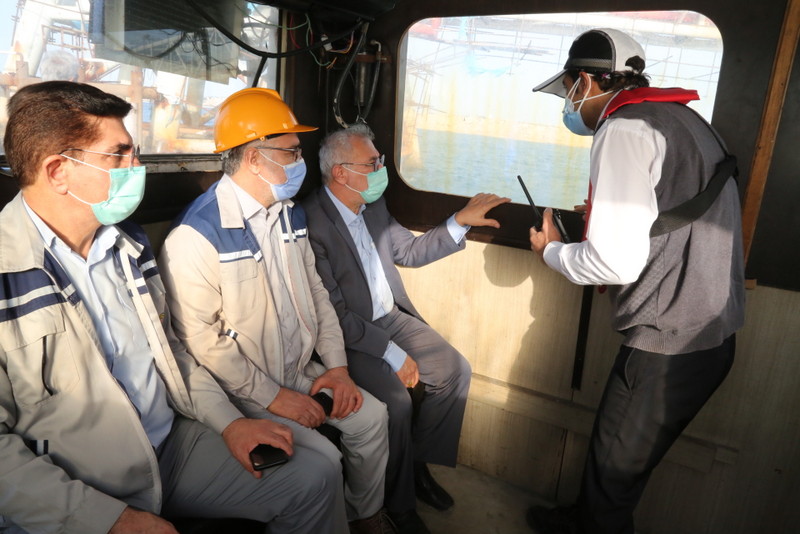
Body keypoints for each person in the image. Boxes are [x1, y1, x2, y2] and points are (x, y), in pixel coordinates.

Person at [0, 81, 341, 533]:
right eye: (118, 155)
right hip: (76, 481)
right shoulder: (7, 273)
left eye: (135, 152)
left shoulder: (130, 245)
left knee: (316, 476)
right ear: (58, 171)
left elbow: (173, 353)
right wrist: (108, 520)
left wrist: (229, 423)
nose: (136, 167)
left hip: (169, 444)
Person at [526, 28, 745, 534]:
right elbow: (675, 204)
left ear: (586, 82)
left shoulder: (623, 129)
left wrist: (551, 251)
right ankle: (580, 519)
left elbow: (614, 263)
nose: (569, 104)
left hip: (668, 345)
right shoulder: (685, 120)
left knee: (613, 477)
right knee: (618, 462)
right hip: (712, 333)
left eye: (568, 91)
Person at [157, 88, 393, 534]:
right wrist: (272, 397)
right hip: (243, 388)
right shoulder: (196, 235)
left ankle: (365, 516)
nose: (300, 162)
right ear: (253, 159)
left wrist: (337, 368)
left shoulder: (288, 214)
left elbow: (318, 294)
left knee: (373, 417)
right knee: (325, 461)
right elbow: (202, 342)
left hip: (299, 369)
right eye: (291, 152)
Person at [302, 124, 511, 534]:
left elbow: (409, 251)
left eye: (380, 160)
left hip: (390, 316)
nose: (381, 169)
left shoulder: (372, 204)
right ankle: (398, 504)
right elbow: (334, 315)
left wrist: (458, 221)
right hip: (349, 336)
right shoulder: (312, 222)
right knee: (396, 403)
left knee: (454, 370)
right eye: (372, 163)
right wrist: (393, 353)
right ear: (341, 172)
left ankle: (414, 467)